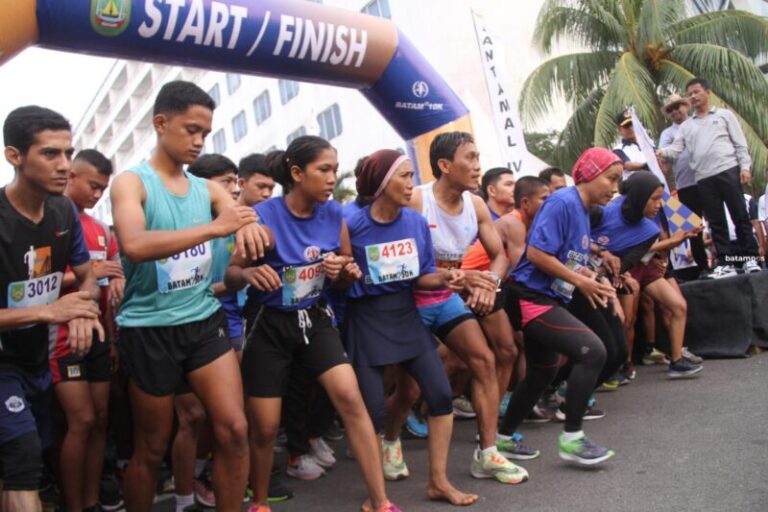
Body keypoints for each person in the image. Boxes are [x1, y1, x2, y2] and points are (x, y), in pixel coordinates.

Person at [109, 80, 269, 512]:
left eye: (206, 133)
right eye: (191, 129)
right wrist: (216, 228)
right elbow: (135, 245)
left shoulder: (206, 188)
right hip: (149, 329)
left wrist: (247, 225)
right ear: (161, 123)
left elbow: (239, 214)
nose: (199, 141)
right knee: (152, 447)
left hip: (202, 321)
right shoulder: (131, 183)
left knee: (234, 429)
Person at [225, 135, 400, 512]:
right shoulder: (264, 215)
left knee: (352, 401)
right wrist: (251, 273)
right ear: (296, 173)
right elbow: (232, 273)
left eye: (335, 170)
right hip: (268, 323)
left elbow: (347, 268)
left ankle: (380, 501)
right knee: (266, 427)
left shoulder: (334, 214)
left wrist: (342, 271)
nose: (331, 178)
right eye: (324, 170)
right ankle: (258, 501)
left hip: (315, 318)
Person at [345, 149, 478, 506]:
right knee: (372, 412)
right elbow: (339, 283)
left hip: (406, 316)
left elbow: (422, 277)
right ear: (381, 183)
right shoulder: (352, 224)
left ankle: (438, 482)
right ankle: (377, 498)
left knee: (439, 395)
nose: (410, 183)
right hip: (366, 321)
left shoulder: (416, 222)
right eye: (403, 176)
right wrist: (345, 276)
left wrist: (448, 277)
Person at [406, 132, 531, 482]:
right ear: (445, 165)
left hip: (446, 298)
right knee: (406, 387)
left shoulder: (475, 205)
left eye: (479, 158)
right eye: (470, 158)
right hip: (410, 300)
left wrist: (489, 284)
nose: (478, 167)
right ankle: (384, 437)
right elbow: (402, 266)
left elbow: (498, 257)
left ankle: (487, 453)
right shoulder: (417, 201)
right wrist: (457, 276)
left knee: (485, 360)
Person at [1, 106, 104, 512]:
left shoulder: (63, 212)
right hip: (3, 365)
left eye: (68, 152)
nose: (65, 166)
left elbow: (89, 277)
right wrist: (48, 313)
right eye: (50, 154)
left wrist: (81, 308)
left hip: (37, 362)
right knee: (24, 458)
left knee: (19, 465)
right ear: (14, 156)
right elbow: (47, 306)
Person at [501, 147, 622, 466]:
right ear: (590, 174)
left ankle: (502, 439)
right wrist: (581, 282)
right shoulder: (562, 201)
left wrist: (591, 276)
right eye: (611, 179)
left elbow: (566, 258)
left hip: (549, 296)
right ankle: (572, 438)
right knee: (593, 351)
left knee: (542, 372)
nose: (614, 188)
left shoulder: (581, 210)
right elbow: (538, 255)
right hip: (530, 296)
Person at [51, 149, 122, 512]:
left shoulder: (101, 230)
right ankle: (73, 504)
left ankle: (92, 502)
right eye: (92, 185)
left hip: (97, 335)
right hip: (59, 340)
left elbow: (105, 290)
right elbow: (39, 281)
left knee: (99, 421)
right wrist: (90, 272)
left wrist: (109, 338)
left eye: (103, 189)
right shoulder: (46, 218)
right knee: (80, 421)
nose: (96, 194)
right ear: (73, 176)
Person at [170, 153, 242, 511]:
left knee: (229, 420)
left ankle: (213, 475)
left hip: (223, 326)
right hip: (176, 330)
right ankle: (184, 496)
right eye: (226, 182)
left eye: (235, 181)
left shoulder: (239, 225)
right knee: (192, 417)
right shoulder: (180, 224)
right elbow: (176, 287)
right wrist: (230, 283)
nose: (234, 189)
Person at [592, 172, 704, 378]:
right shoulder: (603, 211)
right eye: (654, 199)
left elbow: (630, 260)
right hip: (589, 270)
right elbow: (576, 240)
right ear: (639, 196)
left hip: (625, 271)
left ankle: (677, 360)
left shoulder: (649, 230)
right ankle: (619, 366)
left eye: (660, 199)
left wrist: (622, 273)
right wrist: (602, 253)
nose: (658, 205)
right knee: (625, 320)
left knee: (678, 305)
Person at [657, 77, 761, 275]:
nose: (694, 96)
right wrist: (660, 153)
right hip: (703, 178)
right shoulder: (687, 127)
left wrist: (745, 167)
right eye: (690, 94)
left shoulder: (724, 115)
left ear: (707, 92)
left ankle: (749, 259)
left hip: (727, 170)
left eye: (697, 92)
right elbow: (675, 149)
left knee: (739, 215)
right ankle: (724, 262)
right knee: (716, 222)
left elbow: (740, 144)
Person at [659, 94, 709, 275]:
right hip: (685, 185)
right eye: (670, 109)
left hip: (707, 178)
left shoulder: (700, 124)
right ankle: (703, 267)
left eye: (677, 106)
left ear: (686, 106)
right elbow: (664, 159)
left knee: (716, 222)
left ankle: (726, 261)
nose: (674, 111)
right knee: (694, 227)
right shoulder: (667, 134)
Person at [613, 110, 649, 181]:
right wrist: (646, 165)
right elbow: (627, 165)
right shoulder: (618, 149)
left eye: (632, 124)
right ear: (620, 129)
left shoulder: (648, 144)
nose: (631, 128)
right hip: (634, 186)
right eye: (627, 126)